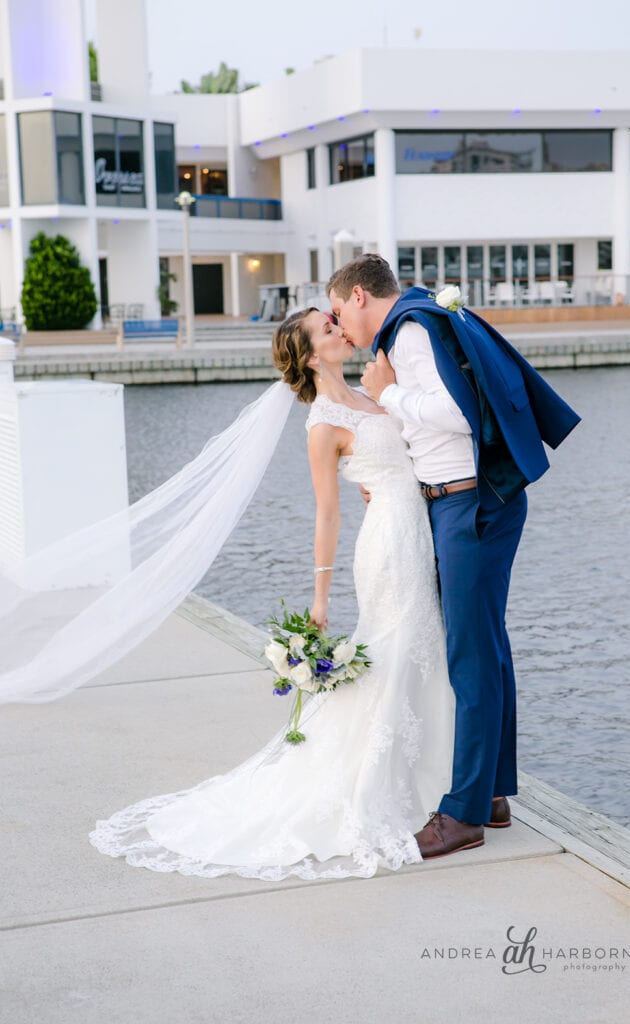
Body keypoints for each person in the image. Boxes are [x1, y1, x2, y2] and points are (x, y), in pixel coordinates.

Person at [88, 307, 473, 882]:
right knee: (397, 647)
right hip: (389, 545)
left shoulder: (373, 390)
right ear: (313, 355)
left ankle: (438, 775)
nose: (341, 329)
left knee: (424, 648)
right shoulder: (323, 423)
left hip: (420, 526)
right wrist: (319, 599)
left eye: (335, 321)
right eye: (327, 329)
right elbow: (326, 514)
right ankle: (388, 783)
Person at [327, 253, 580, 860]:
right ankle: (490, 792)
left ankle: (461, 814)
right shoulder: (416, 322)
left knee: (469, 652)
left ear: (359, 296)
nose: (343, 327)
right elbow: (443, 426)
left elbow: (457, 414)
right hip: (464, 501)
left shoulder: (411, 332)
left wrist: (390, 396)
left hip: (471, 508)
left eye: (339, 312)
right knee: (484, 645)